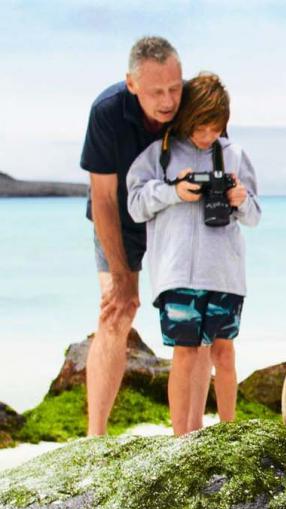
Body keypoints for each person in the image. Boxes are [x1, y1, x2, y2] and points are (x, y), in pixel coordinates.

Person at [127, 72, 261, 435]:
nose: (206, 136)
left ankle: (230, 432)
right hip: (176, 274)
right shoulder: (161, 155)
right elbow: (135, 205)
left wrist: (240, 199)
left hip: (224, 275)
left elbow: (255, 216)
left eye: (214, 128)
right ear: (188, 118)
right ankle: (181, 437)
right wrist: (174, 191)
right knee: (184, 354)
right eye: (201, 127)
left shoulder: (234, 156)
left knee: (224, 353)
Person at [81, 36, 185, 436]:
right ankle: (95, 437)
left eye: (174, 88)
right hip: (118, 220)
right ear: (132, 84)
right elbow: (103, 199)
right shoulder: (106, 112)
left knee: (190, 313)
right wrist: (122, 277)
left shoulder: (191, 102)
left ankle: (186, 430)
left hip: (172, 217)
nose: (168, 101)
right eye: (156, 91)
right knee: (116, 310)